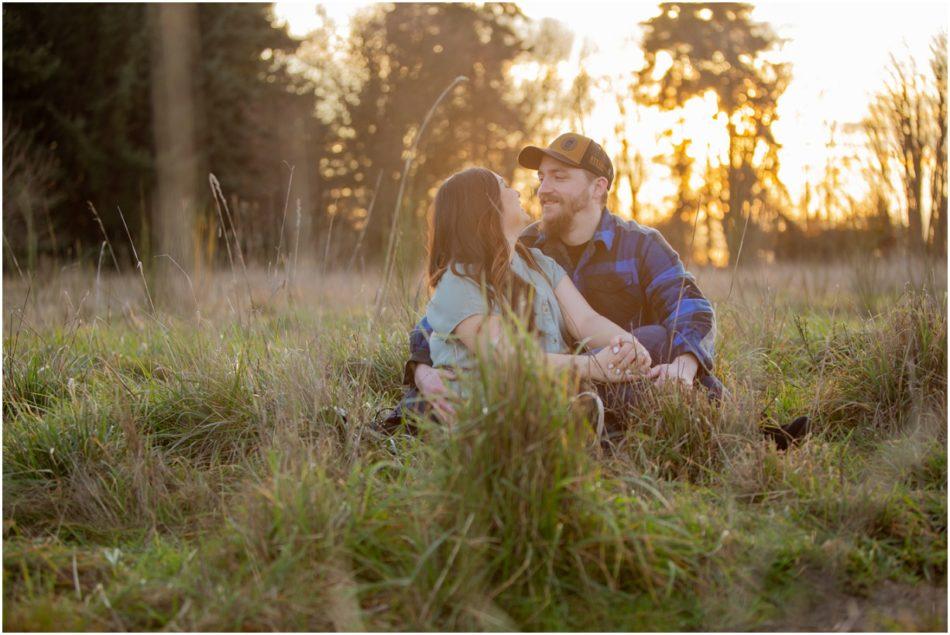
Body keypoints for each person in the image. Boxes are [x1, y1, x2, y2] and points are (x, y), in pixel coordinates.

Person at [385, 132, 807, 446]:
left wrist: (681, 365)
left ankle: (749, 435)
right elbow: (438, 324)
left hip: (617, 369)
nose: (542, 188)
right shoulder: (520, 247)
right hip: (554, 375)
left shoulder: (640, 244)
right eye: (541, 178)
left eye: (559, 177)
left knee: (659, 339)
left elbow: (691, 307)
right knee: (455, 404)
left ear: (597, 187)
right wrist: (422, 372)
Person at [415, 166, 652, 428]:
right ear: (483, 206)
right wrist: (594, 366)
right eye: (504, 186)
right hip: (491, 413)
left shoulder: (537, 263)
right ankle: (577, 428)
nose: (516, 191)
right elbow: (509, 360)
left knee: (653, 340)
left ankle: (591, 421)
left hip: (550, 389)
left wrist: (628, 343)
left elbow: (585, 321)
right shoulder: (459, 282)